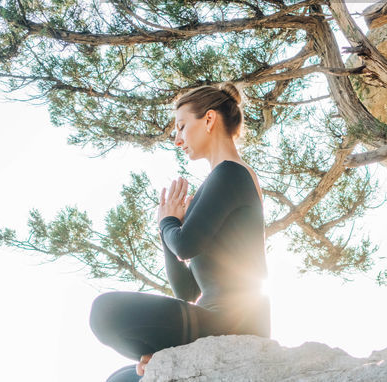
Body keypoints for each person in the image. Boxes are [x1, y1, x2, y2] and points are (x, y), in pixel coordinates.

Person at [89, 83, 269, 380]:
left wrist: (168, 223)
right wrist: (167, 230)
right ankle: (161, 360)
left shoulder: (231, 173)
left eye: (181, 127)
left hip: (235, 321)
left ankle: (161, 357)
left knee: (104, 311)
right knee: (121, 379)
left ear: (209, 120)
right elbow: (187, 290)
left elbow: (185, 246)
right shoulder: (216, 182)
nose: (177, 139)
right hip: (212, 317)